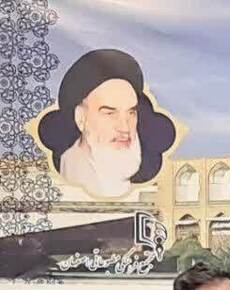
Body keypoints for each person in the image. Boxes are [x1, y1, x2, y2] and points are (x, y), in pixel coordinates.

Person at [35, 49, 177, 198]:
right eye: (110, 113)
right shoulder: (69, 168)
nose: (125, 128)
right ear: (80, 118)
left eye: (131, 113)